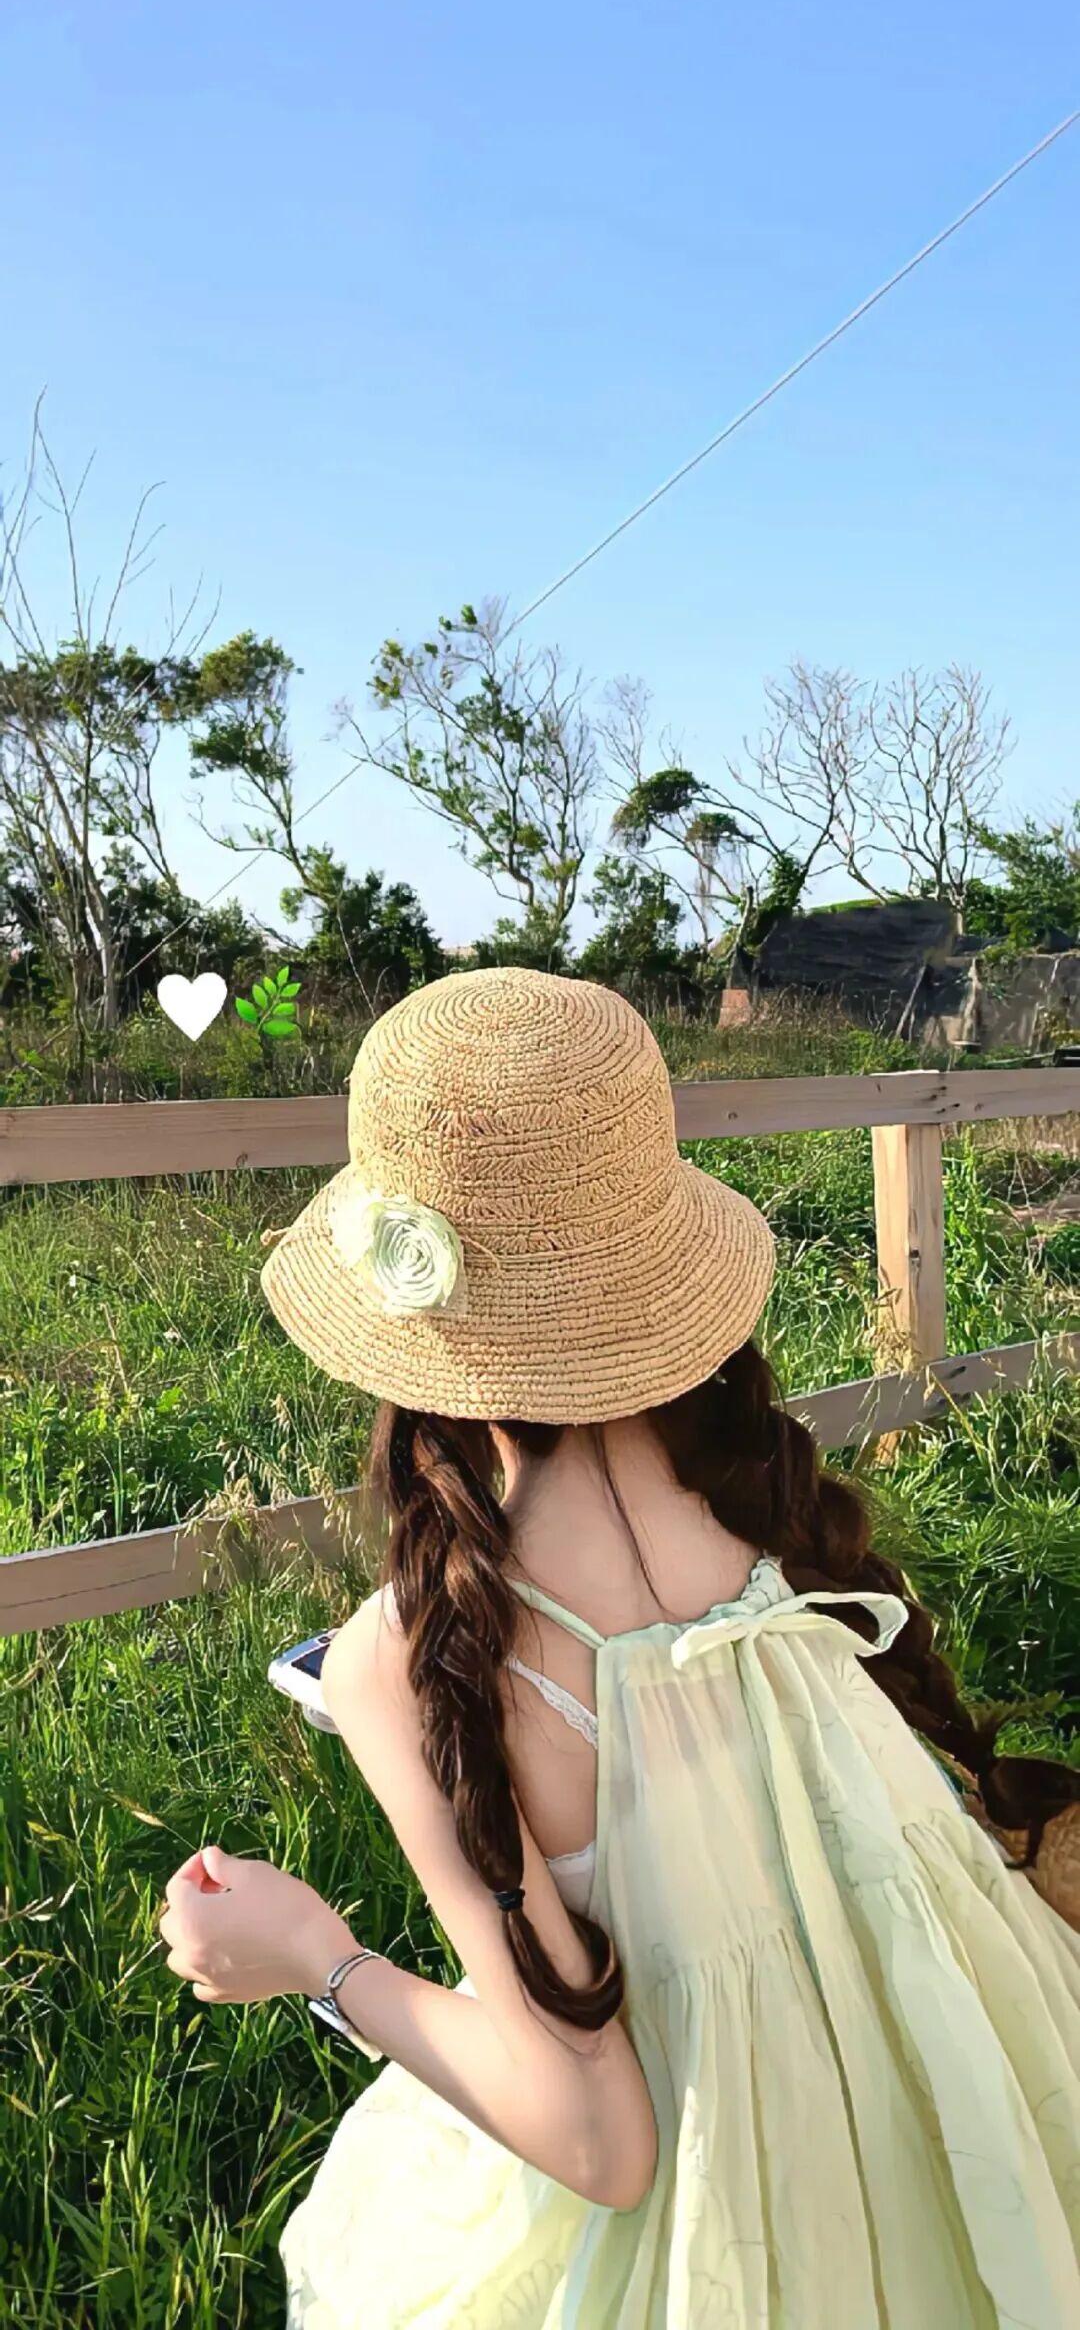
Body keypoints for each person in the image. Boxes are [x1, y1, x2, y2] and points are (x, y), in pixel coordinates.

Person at [159, 965, 1080, 2329]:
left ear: (405, 1325)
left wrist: (317, 1956)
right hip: (983, 2121)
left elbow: (603, 2145)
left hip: (725, 2234)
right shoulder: (766, 1512)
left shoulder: (412, 1657)